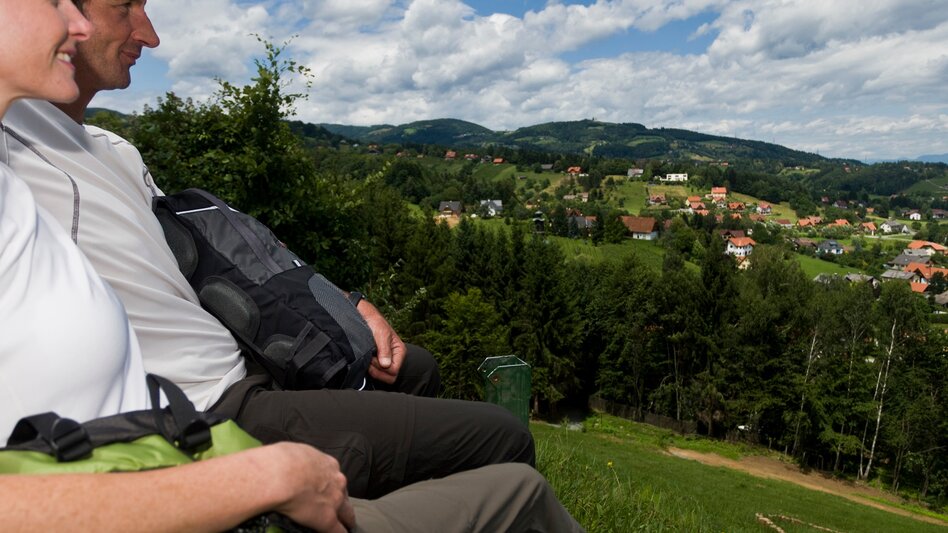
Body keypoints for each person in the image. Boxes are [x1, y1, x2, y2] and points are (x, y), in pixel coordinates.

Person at [0, 2, 584, 532]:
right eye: (124, 7)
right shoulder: (16, 143)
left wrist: (348, 305)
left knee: (415, 368)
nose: (150, 35)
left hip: (245, 361)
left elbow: (224, 257)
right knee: (502, 440)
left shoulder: (116, 151)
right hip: (204, 407)